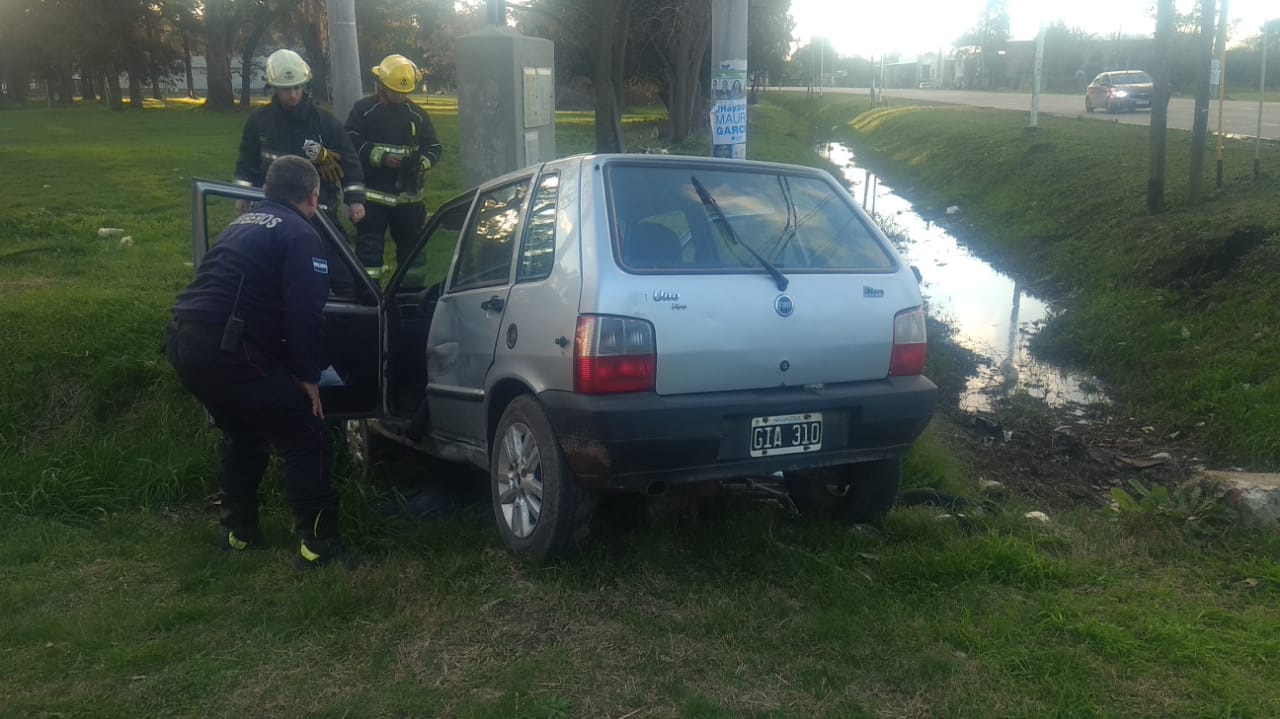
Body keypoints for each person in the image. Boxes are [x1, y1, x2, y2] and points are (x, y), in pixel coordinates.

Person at [166, 156, 351, 569]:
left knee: (244, 433)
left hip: (184, 342)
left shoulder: (241, 225)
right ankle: (318, 546)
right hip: (229, 347)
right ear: (314, 195)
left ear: (265, 191)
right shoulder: (302, 233)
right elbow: (305, 315)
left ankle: (238, 534)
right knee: (308, 436)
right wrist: (308, 376)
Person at [345, 54, 443, 279]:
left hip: (409, 200)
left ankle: (408, 300)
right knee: (369, 255)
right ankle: (368, 301)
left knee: (412, 256)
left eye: (405, 92)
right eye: (395, 91)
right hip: (373, 198)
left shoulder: (418, 115)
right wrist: (380, 157)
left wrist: (421, 164)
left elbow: (434, 147)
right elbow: (350, 140)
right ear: (381, 85)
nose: (400, 96)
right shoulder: (363, 111)